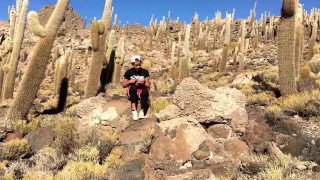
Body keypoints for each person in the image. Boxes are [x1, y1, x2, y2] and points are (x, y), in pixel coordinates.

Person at [122, 55, 150, 120]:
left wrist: (144, 82)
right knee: (133, 87)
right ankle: (134, 111)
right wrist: (129, 81)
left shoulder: (145, 72)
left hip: (141, 89)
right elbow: (123, 85)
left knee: (145, 90)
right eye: (136, 65)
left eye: (139, 65)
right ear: (132, 64)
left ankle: (142, 111)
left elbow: (148, 85)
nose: (138, 67)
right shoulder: (129, 72)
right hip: (132, 90)